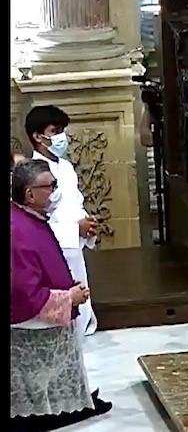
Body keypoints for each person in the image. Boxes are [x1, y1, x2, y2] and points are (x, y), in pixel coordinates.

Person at [11, 159, 112, 431]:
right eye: (50, 186)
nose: (55, 191)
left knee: (66, 364)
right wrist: (68, 298)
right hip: (33, 322)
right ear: (30, 194)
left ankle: (71, 404)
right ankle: (46, 414)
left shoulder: (30, 218)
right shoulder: (17, 229)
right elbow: (22, 289)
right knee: (41, 376)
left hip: (55, 305)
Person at [25, 106, 98, 337]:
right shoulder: (31, 174)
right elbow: (32, 221)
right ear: (38, 136)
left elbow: (74, 202)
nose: (61, 137)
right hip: (52, 249)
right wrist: (74, 229)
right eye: (55, 131)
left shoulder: (65, 167)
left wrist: (87, 224)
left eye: (62, 131)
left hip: (74, 245)